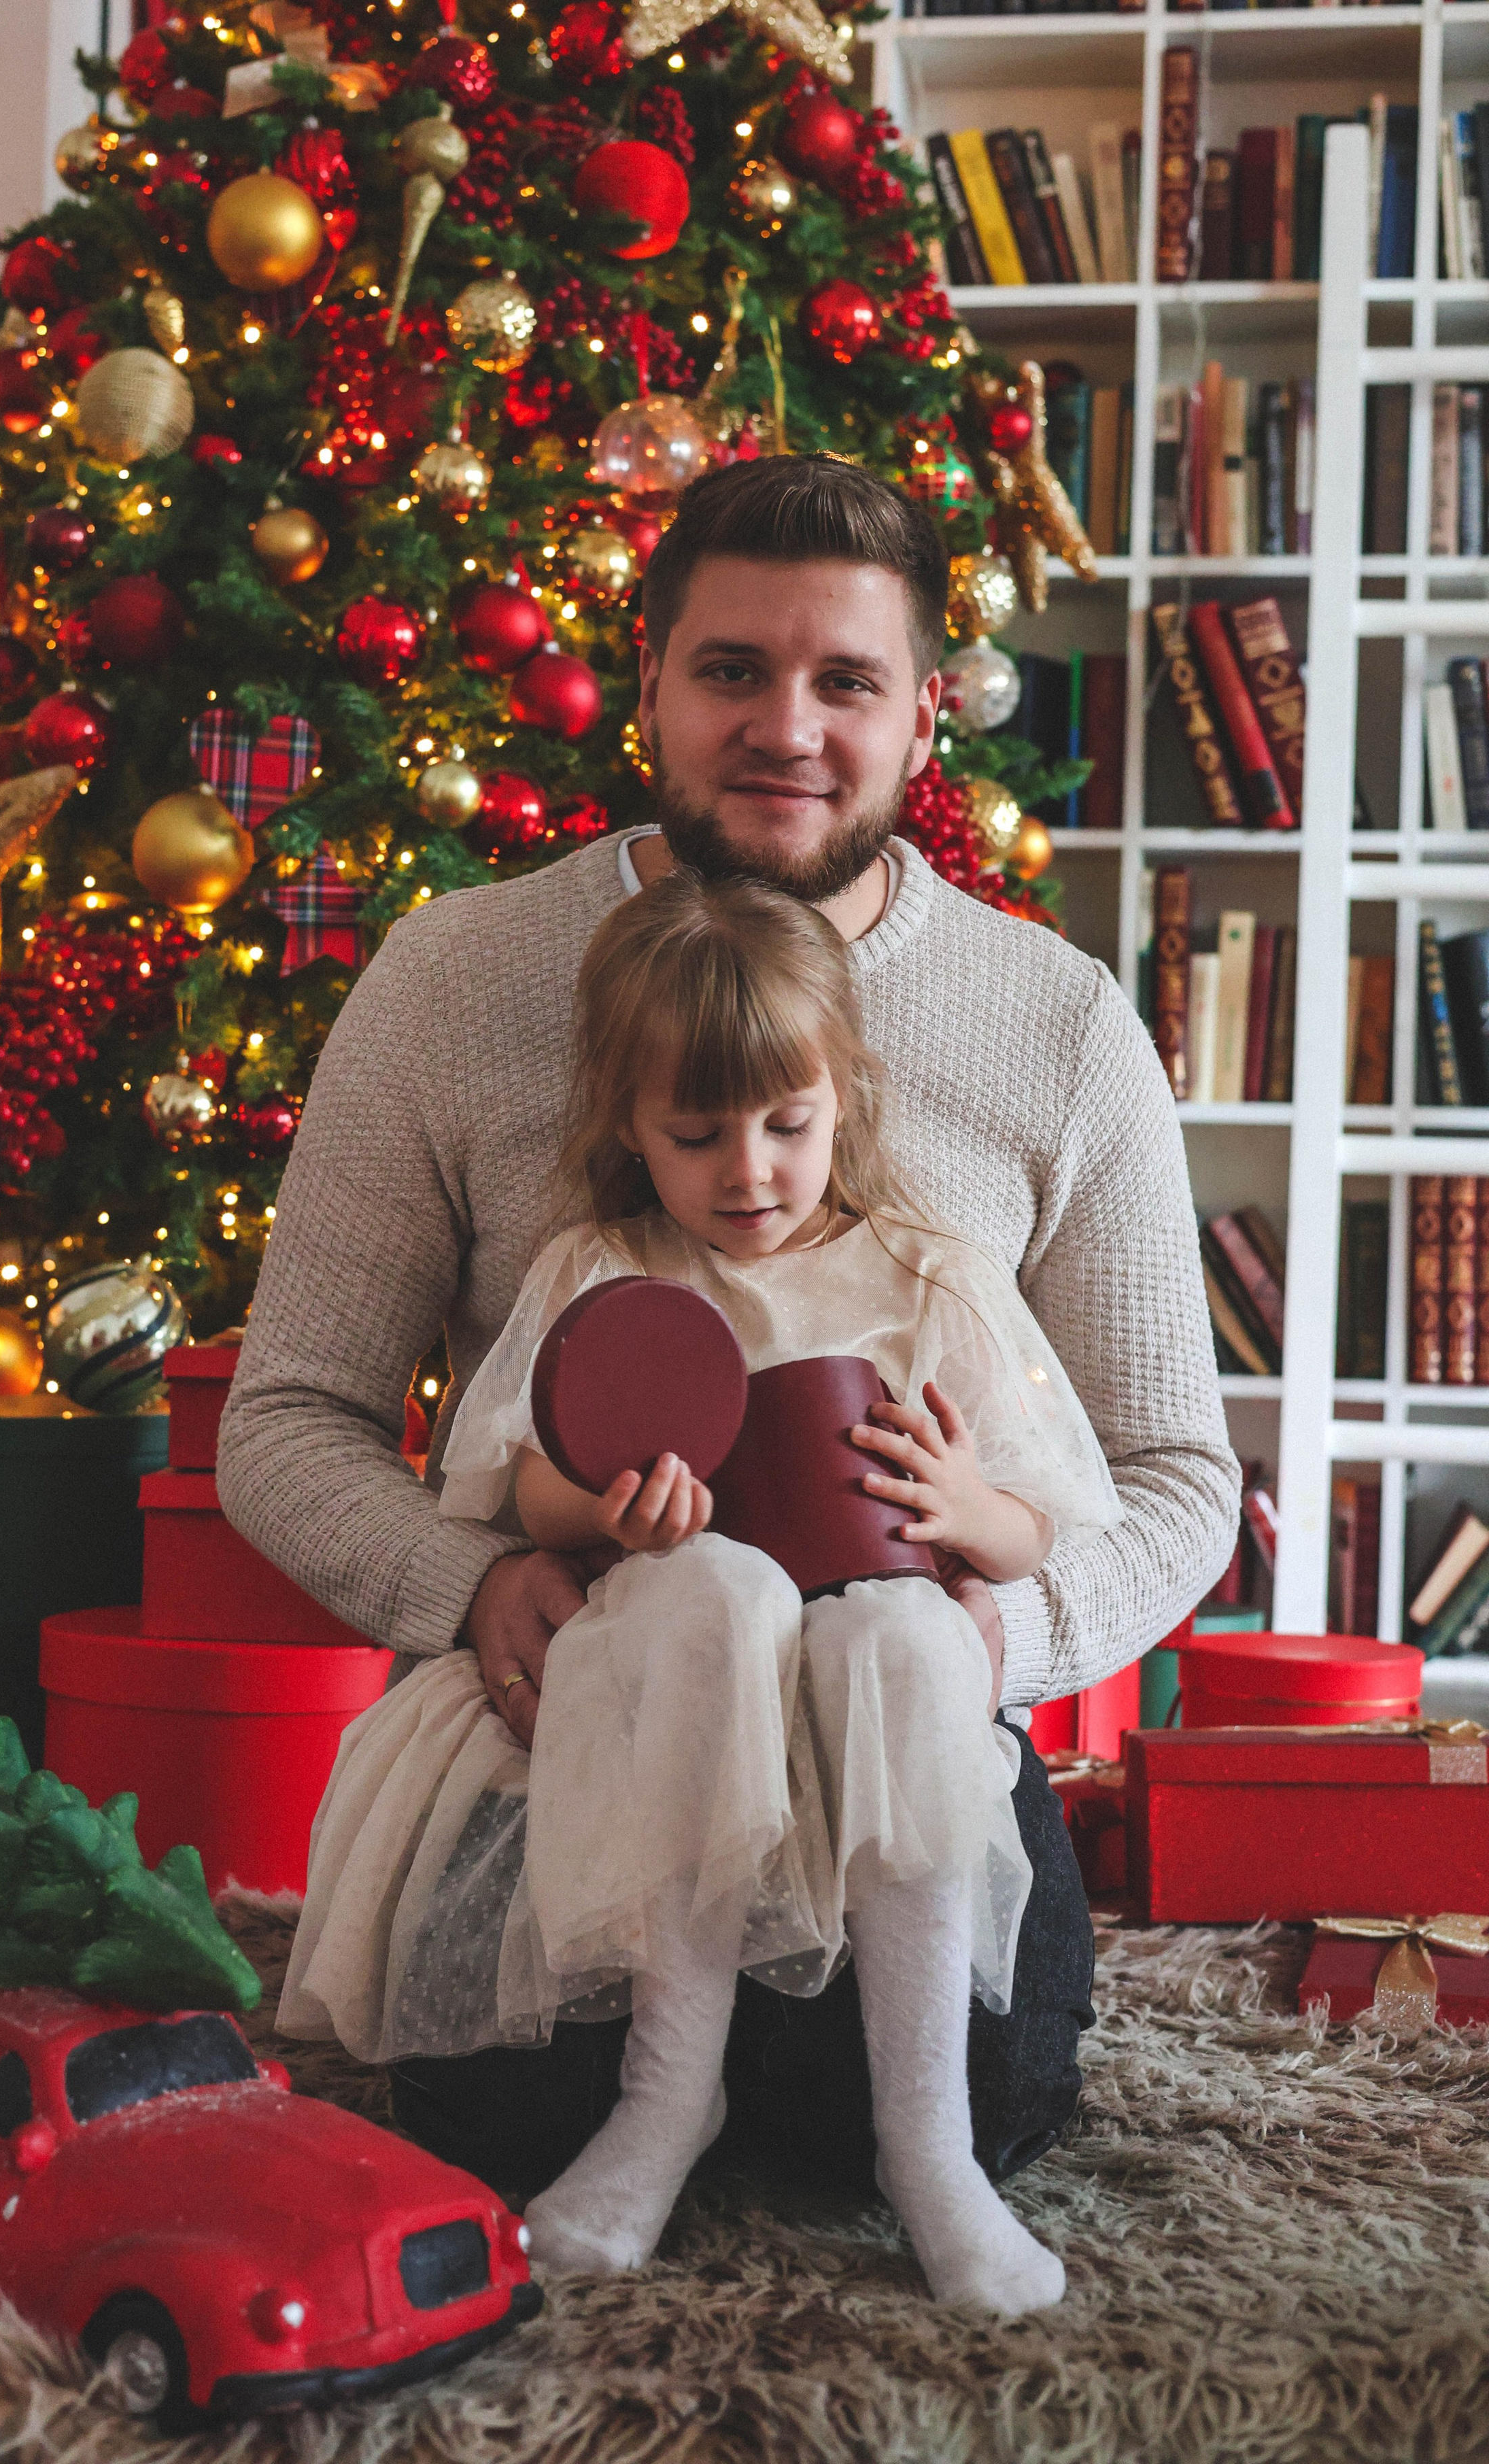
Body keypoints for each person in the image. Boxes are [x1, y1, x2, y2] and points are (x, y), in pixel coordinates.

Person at [219, 451, 1238, 2219]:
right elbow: (288, 1419)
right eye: (731, 671)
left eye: (844, 681)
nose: (787, 726)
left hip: (904, 1726)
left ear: (926, 715)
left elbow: (1173, 1479)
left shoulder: (1058, 1025)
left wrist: (1001, 1635)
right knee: (508, 2129)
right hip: (580, 1732)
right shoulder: (456, 980)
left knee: (925, 2130)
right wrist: (470, 1587)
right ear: (647, 687)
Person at [278, 876, 1123, 2309]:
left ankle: (929, 2145)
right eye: (695, 1134)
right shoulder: (598, 1271)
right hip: (665, 1694)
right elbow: (502, 1484)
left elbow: (1046, 1518)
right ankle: (667, 2100)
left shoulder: (928, 1277)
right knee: (708, 1590)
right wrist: (600, 1505)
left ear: (842, 1098)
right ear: (624, 1124)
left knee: (910, 1632)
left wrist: (972, 1514)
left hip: (865, 1710)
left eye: (786, 1126)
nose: (748, 1172)